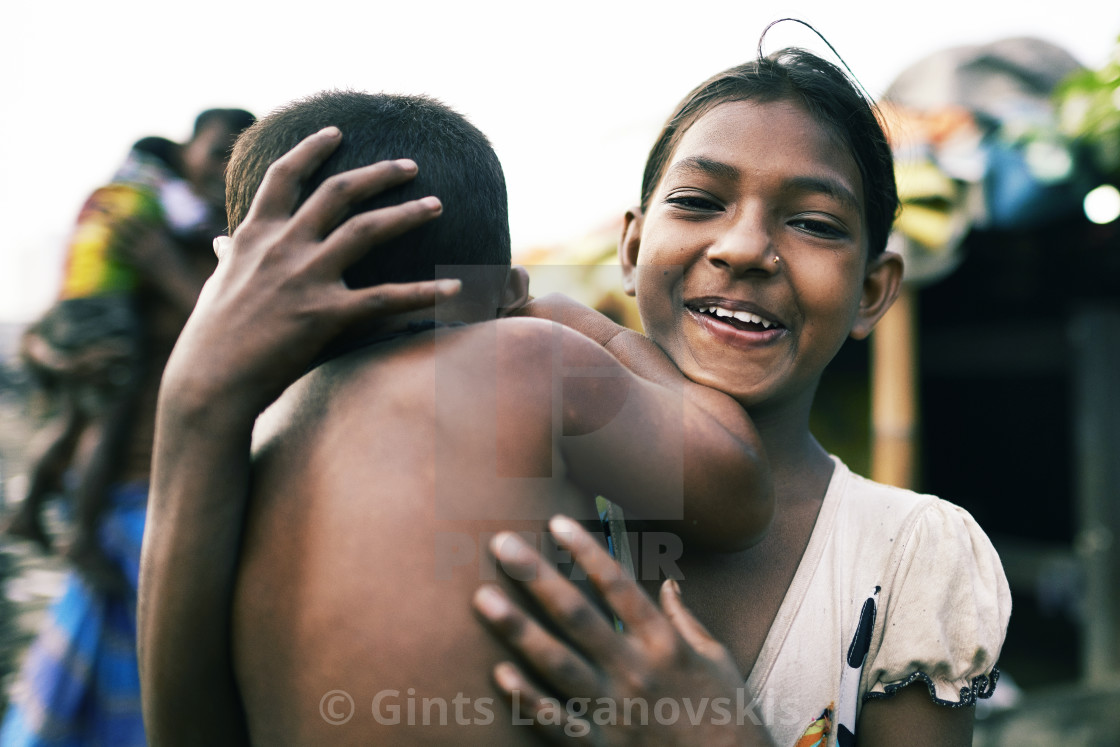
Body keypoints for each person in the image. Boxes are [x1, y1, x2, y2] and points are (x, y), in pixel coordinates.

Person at [142, 38, 1012, 746]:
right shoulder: (498, 444)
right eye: (700, 201)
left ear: (871, 289)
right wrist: (194, 409)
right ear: (630, 250)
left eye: (815, 222)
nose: (746, 247)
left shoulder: (907, 558)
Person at [138, 92, 772, 745]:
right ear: (503, 287)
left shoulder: (252, 443)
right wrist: (596, 334)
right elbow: (738, 489)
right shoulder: (527, 356)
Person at [0, 108, 254, 746]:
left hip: (178, 491)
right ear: (184, 152)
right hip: (116, 488)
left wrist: (165, 263)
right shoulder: (146, 228)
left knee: (157, 675)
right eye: (215, 150)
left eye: (238, 157)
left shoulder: (235, 260)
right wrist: (61, 357)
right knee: (94, 668)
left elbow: (241, 332)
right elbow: (49, 332)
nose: (221, 166)